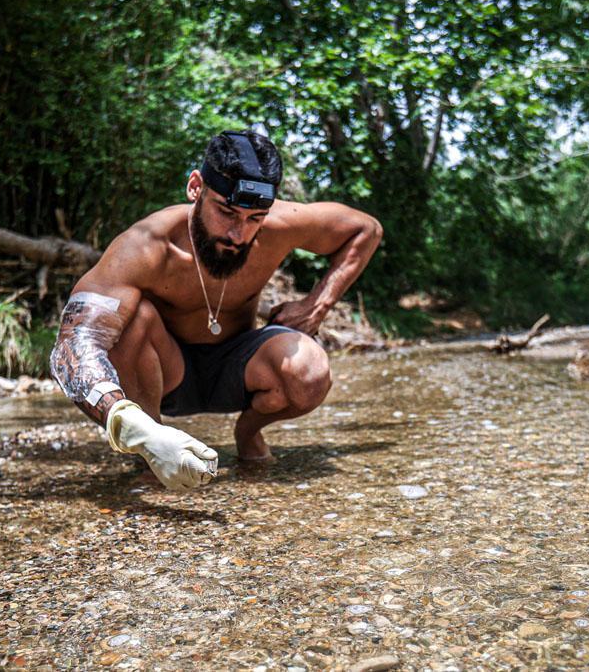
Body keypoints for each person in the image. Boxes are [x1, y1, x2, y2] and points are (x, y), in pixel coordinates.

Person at [49, 130, 382, 491]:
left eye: (255, 218)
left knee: (310, 370)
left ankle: (248, 433)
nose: (238, 234)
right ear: (196, 187)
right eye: (226, 212)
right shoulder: (145, 247)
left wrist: (316, 305)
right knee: (132, 319)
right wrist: (132, 427)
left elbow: (366, 230)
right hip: (163, 375)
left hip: (235, 367)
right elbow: (73, 347)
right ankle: (151, 452)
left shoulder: (279, 228)